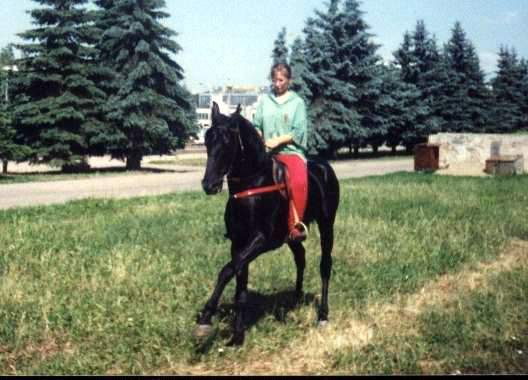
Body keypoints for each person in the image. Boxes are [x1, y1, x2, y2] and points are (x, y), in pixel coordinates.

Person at [253, 62, 309, 242]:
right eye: (274, 80)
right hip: (269, 154)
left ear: (289, 81)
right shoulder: (265, 101)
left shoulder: (297, 103)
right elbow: (257, 125)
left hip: (290, 152)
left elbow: (299, 132)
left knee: (298, 182)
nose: (277, 84)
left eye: (281, 80)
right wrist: (260, 137)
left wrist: (277, 140)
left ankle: (295, 226)